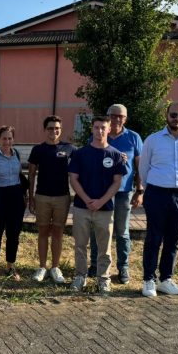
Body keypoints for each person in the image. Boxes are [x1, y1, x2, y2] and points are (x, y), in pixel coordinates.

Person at [139, 101, 178, 298]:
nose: (177, 118)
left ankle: (165, 279)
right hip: (157, 194)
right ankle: (149, 279)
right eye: (173, 114)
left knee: (173, 240)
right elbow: (144, 168)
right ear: (166, 116)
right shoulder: (153, 140)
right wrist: (155, 186)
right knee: (154, 238)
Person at [68, 116, 126, 294]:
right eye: (96, 127)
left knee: (104, 247)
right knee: (80, 245)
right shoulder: (80, 154)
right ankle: (80, 276)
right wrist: (87, 199)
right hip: (81, 207)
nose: (99, 131)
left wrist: (101, 201)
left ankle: (103, 278)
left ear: (109, 129)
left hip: (105, 209)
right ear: (92, 129)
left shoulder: (116, 155)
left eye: (103, 127)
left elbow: (117, 182)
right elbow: (73, 179)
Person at [88, 104, 144, 284]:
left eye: (121, 116)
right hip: (100, 192)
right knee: (98, 230)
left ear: (125, 119)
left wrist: (140, 190)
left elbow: (140, 167)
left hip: (123, 192)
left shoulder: (134, 137)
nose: (117, 119)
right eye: (113, 115)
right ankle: (95, 265)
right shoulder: (98, 135)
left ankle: (123, 267)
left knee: (122, 231)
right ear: (108, 116)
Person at [28, 115, 76, 284]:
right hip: (42, 197)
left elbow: (86, 162)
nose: (53, 131)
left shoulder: (70, 149)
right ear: (45, 130)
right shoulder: (38, 150)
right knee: (42, 232)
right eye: (50, 128)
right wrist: (31, 197)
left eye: (57, 128)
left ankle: (55, 267)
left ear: (61, 130)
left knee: (57, 233)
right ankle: (42, 267)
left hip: (62, 197)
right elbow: (31, 175)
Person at [0, 126, 26, 280]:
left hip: (16, 198)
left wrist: (24, 197)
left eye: (9, 138)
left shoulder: (17, 154)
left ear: (13, 139)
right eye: (4, 138)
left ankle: (10, 266)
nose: (7, 141)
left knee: (13, 234)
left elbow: (20, 176)